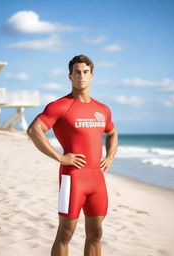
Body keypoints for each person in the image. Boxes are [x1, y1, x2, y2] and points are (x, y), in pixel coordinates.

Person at [27, 55, 118, 256]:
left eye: (85, 72)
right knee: (65, 233)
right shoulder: (60, 106)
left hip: (97, 180)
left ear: (92, 76)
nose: (81, 76)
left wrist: (110, 157)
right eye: (77, 72)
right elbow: (34, 131)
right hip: (73, 179)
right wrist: (60, 157)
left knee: (96, 234)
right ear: (70, 76)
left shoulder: (102, 109)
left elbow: (112, 133)